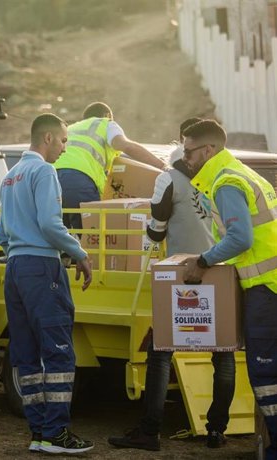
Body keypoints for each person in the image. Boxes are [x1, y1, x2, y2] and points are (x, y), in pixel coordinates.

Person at [108, 118, 236, 452]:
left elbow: (156, 229)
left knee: (161, 350)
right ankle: (217, 430)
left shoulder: (169, 178)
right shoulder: (224, 177)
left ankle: (150, 431)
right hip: (222, 270)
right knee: (222, 353)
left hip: (184, 272)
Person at [179, 120, 277, 460]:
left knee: (266, 375)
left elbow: (241, 238)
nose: (185, 157)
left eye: (189, 151)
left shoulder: (227, 182)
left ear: (209, 150)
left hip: (267, 290)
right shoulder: (242, 174)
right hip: (269, 287)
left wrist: (203, 261)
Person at [0, 113, 94, 454]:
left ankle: (39, 432)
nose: (65, 149)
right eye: (64, 141)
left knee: (25, 354)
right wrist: (79, 252)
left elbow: (1, 235)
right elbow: (51, 225)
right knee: (57, 352)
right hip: (41, 267)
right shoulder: (43, 171)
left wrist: (20, 253)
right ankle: (56, 434)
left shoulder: (10, 176)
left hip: (16, 268)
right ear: (48, 138)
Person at [54, 101, 166, 230]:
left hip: (52, 181)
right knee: (93, 237)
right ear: (107, 115)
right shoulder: (105, 123)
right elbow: (126, 146)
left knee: (63, 238)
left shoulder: (71, 128)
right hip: (79, 181)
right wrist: (163, 166)